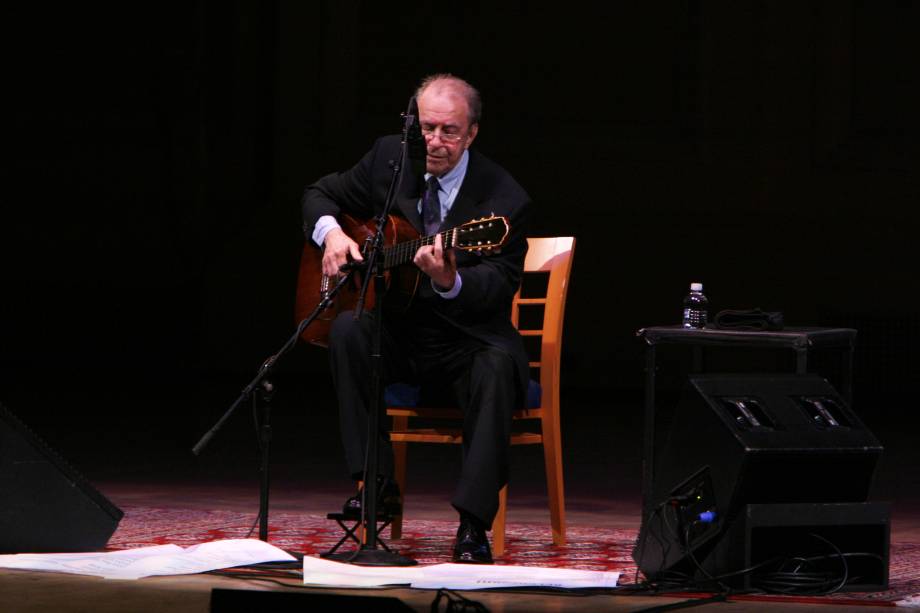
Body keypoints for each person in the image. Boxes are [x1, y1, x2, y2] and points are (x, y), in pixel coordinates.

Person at [301, 74, 531, 564]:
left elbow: (500, 284)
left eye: (450, 131)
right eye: (426, 128)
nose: (435, 142)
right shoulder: (390, 156)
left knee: (495, 367)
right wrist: (332, 238)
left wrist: (451, 281)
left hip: (468, 338)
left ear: (471, 134)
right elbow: (318, 194)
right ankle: (375, 486)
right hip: (401, 335)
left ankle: (473, 525)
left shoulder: (503, 198)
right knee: (348, 329)